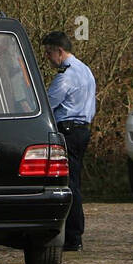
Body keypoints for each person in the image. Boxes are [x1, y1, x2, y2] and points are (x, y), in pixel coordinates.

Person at [41, 30, 96, 251]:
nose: (46, 57)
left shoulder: (65, 77)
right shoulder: (85, 70)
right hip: (82, 129)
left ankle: (73, 238)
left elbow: (47, 105)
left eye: (48, 52)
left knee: (69, 184)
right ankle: (73, 235)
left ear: (59, 51)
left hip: (68, 132)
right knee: (75, 182)